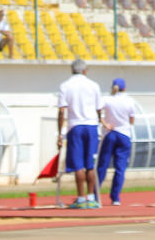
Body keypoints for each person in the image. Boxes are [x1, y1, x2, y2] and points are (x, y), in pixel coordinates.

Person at [57, 59, 103, 209]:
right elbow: (98, 108)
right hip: (91, 125)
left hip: (75, 126)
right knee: (90, 164)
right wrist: (99, 121)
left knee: (78, 165)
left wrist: (60, 133)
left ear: (72, 70)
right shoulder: (94, 85)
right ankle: (90, 197)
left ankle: (81, 198)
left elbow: (62, 111)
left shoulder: (65, 85)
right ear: (85, 70)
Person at [97, 78, 135, 206]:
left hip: (110, 133)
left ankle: (96, 194)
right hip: (124, 134)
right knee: (120, 168)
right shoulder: (130, 101)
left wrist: (104, 123)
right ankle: (115, 197)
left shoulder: (108, 99)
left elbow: (97, 109)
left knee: (102, 165)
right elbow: (132, 120)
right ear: (125, 88)